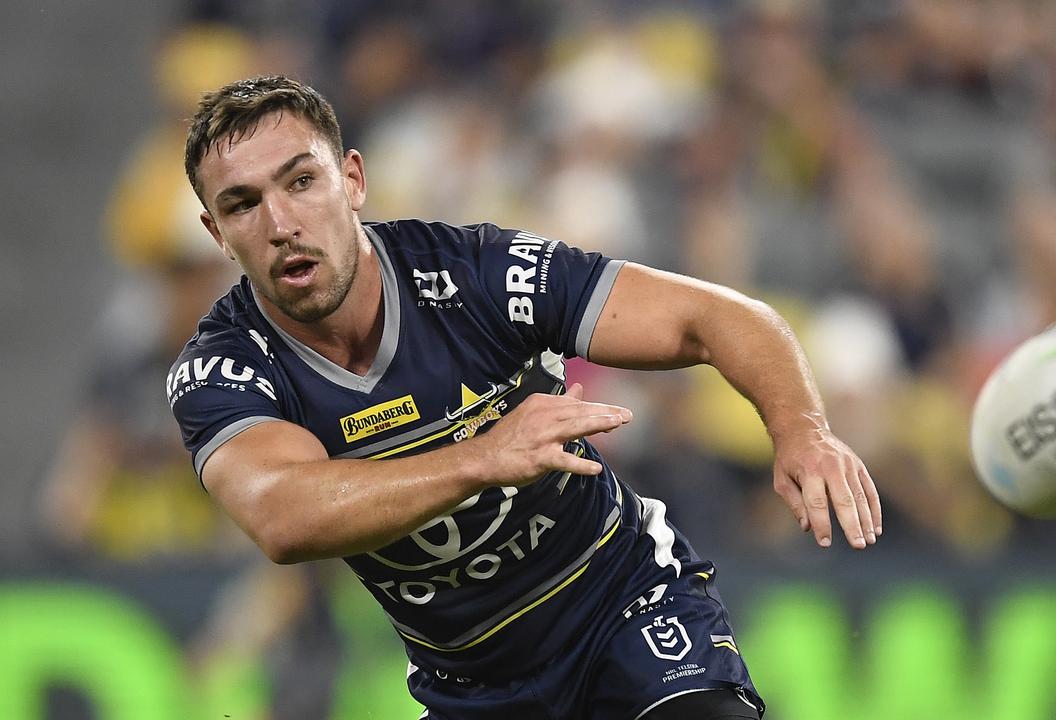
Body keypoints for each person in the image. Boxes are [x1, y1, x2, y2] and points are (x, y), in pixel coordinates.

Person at [168, 75, 881, 720]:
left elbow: (723, 318)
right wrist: (483, 457)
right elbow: (282, 517)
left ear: (352, 180)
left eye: (301, 182)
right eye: (242, 204)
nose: (280, 222)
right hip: (471, 692)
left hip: (623, 607)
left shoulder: (478, 274)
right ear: (218, 235)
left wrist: (802, 430)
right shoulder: (224, 367)